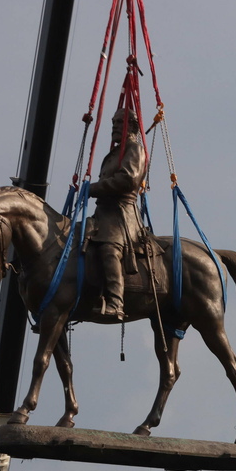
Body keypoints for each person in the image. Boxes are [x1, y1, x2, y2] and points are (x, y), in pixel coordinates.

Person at [88, 108, 148, 320]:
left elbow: (127, 180)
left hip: (121, 214)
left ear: (131, 126)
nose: (114, 126)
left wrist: (92, 189)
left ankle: (116, 303)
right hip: (102, 213)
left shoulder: (134, 149)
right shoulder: (113, 154)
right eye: (113, 122)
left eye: (119, 122)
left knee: (109, 248)